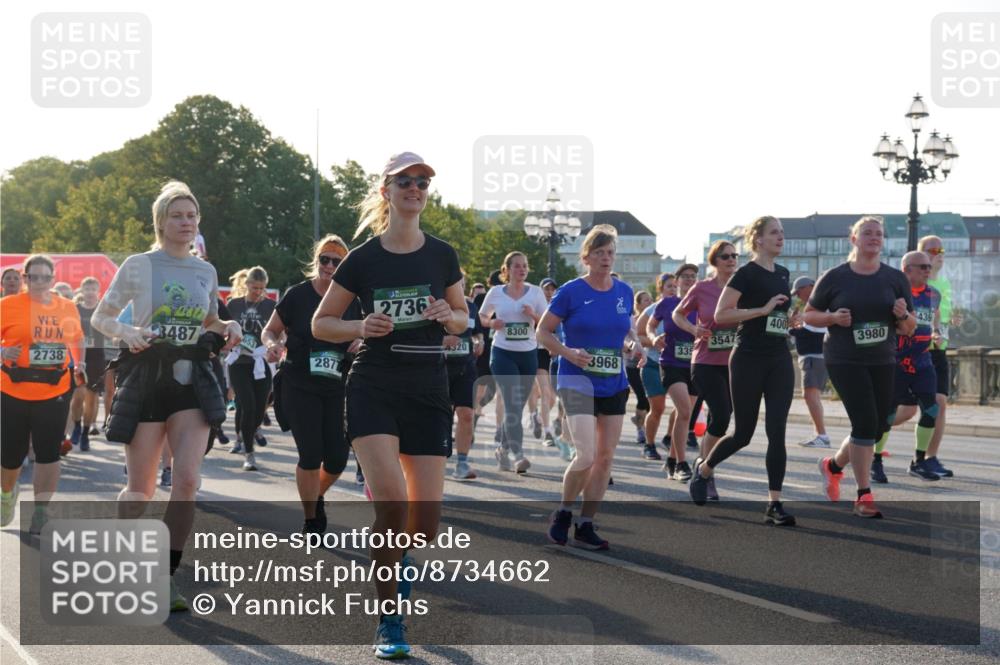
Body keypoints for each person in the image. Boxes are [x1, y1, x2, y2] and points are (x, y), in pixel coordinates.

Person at [311, 152, 466, 659]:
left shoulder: (442, 255)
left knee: (423, 525)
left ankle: (393, 555)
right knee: (393, 508)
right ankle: (389, 620)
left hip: (428, 391)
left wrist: (450, 314)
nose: (415, 188)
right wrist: (359, 326)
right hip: (374, 386)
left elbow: (464, 317)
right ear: (387, 190)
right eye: (406, 181)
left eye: (423, 181)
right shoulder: (363, 258)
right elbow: (321, 323)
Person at [91, 181, 241, 610]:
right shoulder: (140, 265)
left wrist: (228, 328)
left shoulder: (205, 271)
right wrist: (131, 331)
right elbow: (103, 317)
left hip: (192, 380)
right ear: (160, 222)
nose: (186, 223)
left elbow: (210, 316)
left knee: (188, 481)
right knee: (140, 490)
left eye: (191, 216)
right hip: (146, 381)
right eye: (177, 215)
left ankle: (166, 577)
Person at [689, 217, 797, 525]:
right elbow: (721, 314)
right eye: (774, 232)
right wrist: (761, 311)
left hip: (779, 357)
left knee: (777, 431)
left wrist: (788, 320)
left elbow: (776, 316)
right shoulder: (745, 274)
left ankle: (774, 504)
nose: (781, 237)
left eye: (782, 233)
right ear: (758, 240)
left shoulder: (783, 274)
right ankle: (705, 469)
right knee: (743, 434)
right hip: (748, 358)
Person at [806, 216, 914, 518]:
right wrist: (832, 318)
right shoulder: (835, 277)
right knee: (865, 423)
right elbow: (809, 315)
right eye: (867, 233)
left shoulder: (894, 278)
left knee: (877, 425)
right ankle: (864, 495)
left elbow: (909, 327)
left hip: (882, 359)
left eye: (879, 234)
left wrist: (903, 315)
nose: (874, 238)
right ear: (854, 239)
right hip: (844, 359)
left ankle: (833, 465)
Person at [539, 224, 634, 550]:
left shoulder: (624, 291)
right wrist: (568, 352)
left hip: (614, 382)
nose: (606, 258)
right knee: (586, 454)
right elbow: (543, 333)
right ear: (586, 257)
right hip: (576, 379)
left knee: (605, 459)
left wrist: (635, 345)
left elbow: (628, 331)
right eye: (599, 253)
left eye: (610, 253)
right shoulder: (571, 291)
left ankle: (586, 523)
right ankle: (564, 511)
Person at [263, 234, 359, 533]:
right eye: (325, 259)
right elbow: (271, 330)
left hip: (334, 386)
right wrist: (272, 345)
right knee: (310, 453)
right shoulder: (298, 295)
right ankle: (311, 518)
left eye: (337, 261)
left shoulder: (353, 301)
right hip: (298, 383)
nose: (330, 265)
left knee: (337, 458)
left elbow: (367, 331)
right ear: (316, 261)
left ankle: (315, 494)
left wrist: (360, 337)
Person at [1, 255, 85, 530]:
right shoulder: (8, 305)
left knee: (49, 453)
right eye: (32, 277)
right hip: (12, 390)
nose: (39, 282)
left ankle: (40, 511)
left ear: (52, 279)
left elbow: (76, 339)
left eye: (44, 277)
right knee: (11, 456)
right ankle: (6, 494)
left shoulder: (67, 306)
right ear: (25, 279)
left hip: (53, 390)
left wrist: (80, 364)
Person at [672, 241, 739, 501]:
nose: (731, 259)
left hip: (734, 363)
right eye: (725, 256)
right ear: (715, 261)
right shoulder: (702, 289)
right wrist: (692, 329)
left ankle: (704, 468)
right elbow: (679, 314)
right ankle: (705, 471)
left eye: (734, 255)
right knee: (721, 416)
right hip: (705, 362)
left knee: (720, 421)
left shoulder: (742, 288)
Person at [888, 235, 959, 478]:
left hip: (936, 349)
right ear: (919, 255)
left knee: (937, 405)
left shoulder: (942, 285)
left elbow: (938, 319)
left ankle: (928, 458)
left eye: (942, 249)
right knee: (906, 411)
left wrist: (940, 332)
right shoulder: (908, 286)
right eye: (932, 250)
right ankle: (870, 434)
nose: (938, 254)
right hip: (909, 352)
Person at [871, 251, 943, 483]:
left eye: (928, 266)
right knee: (888, 414)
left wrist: (937, 332)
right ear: (906, 270)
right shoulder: (892, 294)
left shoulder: (934, 294)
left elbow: (933, 320)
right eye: (922, 266)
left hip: (923, 360)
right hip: (896, 361)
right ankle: (875, 460)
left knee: (931, 410)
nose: (927, 270)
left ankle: (919, 462)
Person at [479, 252, 548, 473]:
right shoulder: (496, 292)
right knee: (512, 402)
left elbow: (548, 323)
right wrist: (492, 323)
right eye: (517, 266)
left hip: (528, 354)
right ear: (506, 270)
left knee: (517, 406)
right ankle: (518, 455)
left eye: (525, 266)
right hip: (502, 353)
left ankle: (502, 448)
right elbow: (482, 316)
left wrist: (533, 315)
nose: (522, 269)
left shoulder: (536, 293)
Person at [647, 264, 700, 481]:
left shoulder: (702, 304)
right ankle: (681, 463)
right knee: (684, 411)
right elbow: (649, 326)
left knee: (684, 415)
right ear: (676, 281)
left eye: (693, 276)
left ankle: (670, 460)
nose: (689, 280)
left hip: (696, 365)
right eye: (685, 276)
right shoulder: (666, 304)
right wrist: (653, 338)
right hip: (670, 363)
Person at [226, 266, 277, 471]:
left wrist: (278, 344)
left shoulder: (271, 306)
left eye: (262, 288)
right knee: (246, 406)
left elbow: (279, 330)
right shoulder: (234, 305)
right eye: (255, 287)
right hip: (239, 361)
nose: (258, 292)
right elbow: (224, 329)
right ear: (246, 285)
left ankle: (251, 431)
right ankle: (249, 453)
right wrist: (227, 342)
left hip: (261, 361)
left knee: (258, 409)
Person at [443, 272, 486, 480]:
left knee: (467, 414)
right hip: (440, 368)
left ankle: (461, 462)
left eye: (462, 285)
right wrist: (443, 341)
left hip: (466, 367)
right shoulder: (439, 305)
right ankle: (437, 459)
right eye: (455, 285)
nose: (458, 288)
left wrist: (480, 341)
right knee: (442, 417)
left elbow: (477, 332)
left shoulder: (471, 307)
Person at [789, 276, 831, 448]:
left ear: (810, 287)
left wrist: (795, 328)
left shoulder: (820, 305)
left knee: (810, 395)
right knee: (811, 396)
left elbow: (818, 330)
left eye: (799, 292)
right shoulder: (813, 306)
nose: (798, 296)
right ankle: (819, 434)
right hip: (812, 357)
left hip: (815, 357)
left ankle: (821, 435)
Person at [69, 277, 106, 453]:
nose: (90, 292)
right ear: (82, 291)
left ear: (98, 291)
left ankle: (85, 432)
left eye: (93, 289)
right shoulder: (75, 309)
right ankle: (76, 425)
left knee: (91, 398)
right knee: (78, 395)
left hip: (97, 357)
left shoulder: (103, 309)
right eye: (87, 288)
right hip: (78, 356)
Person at [527, 277, 559, 447]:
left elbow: (556, 330)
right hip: (531, 349)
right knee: (538, 390)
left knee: (551, 396)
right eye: (546, 288)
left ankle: (538, 417)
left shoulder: (557, 306)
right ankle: (546, 431)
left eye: (552, 289)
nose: (549, 292)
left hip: (548, 353)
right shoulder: (531, 303)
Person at [626, 290, 654, 453]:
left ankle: (639, 420)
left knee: (649, 400)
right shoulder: (632, 321)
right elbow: (627, 339)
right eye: (645, 301)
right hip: (632, 365)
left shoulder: (655, 322)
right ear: (637, 304)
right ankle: (640, 429)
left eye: (651, 300)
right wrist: (632, 346)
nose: (649, 303)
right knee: (642, 398)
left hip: (649, 364)